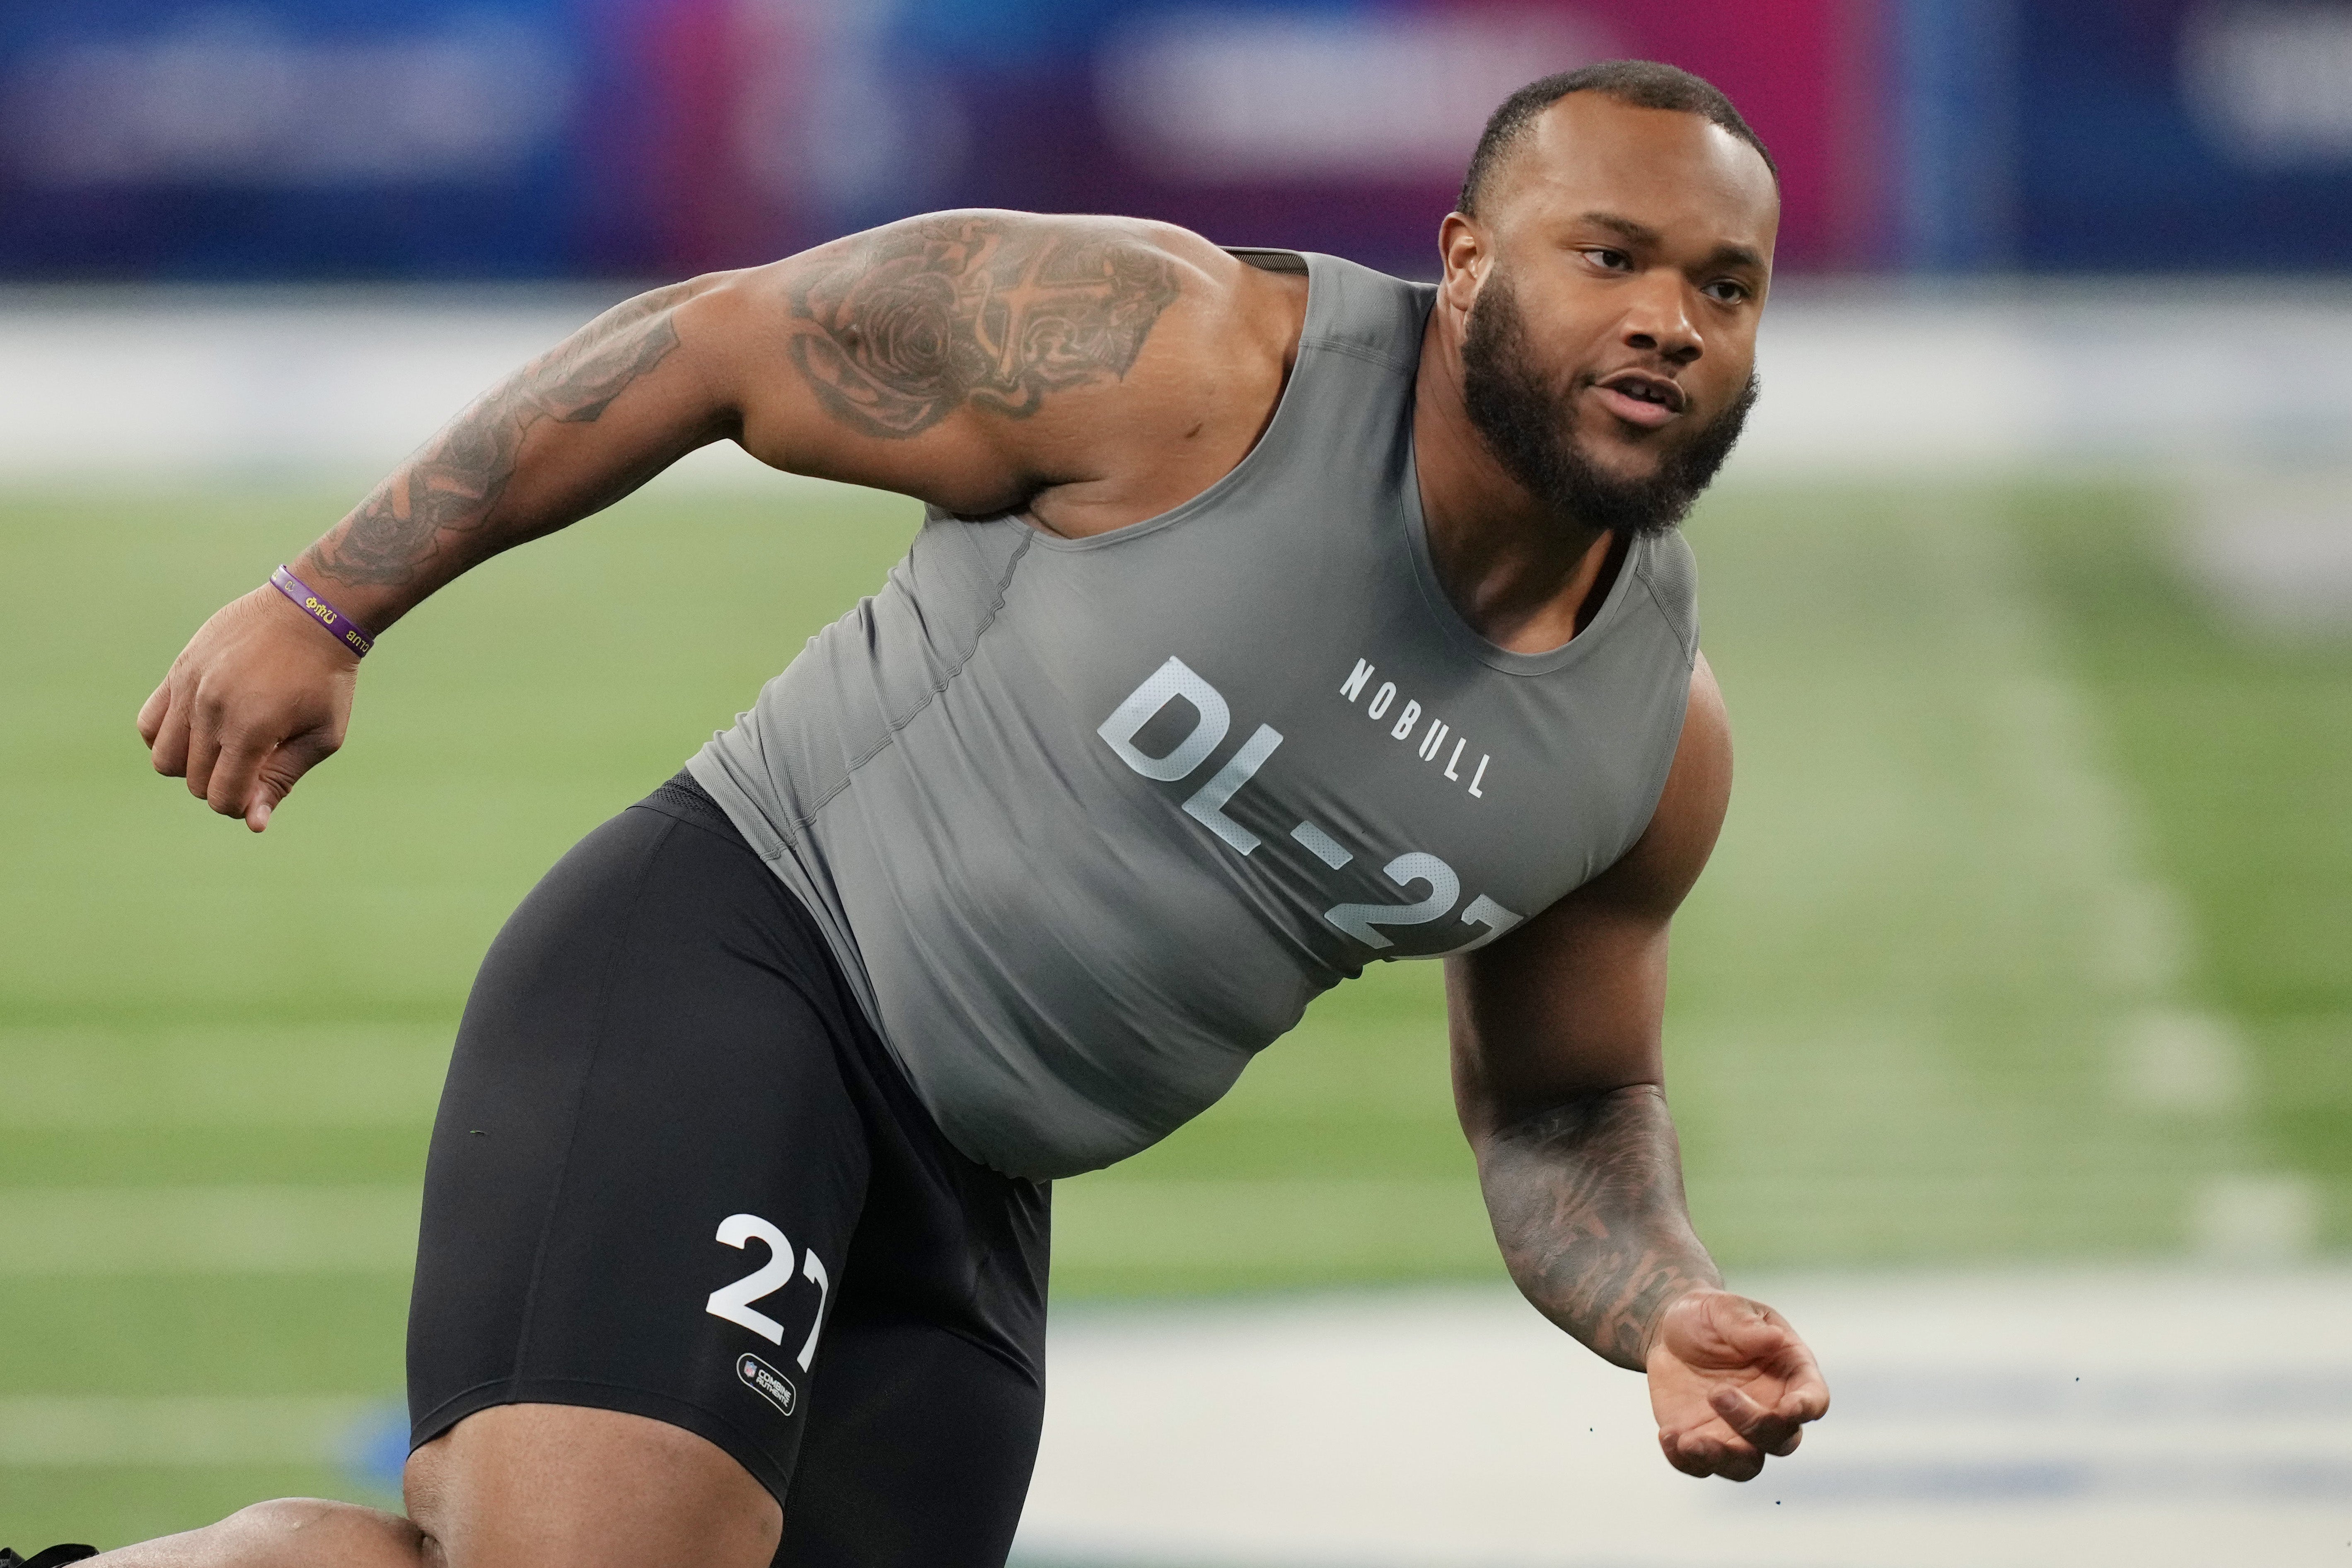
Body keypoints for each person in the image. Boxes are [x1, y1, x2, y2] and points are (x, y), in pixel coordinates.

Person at [105, 58, 1828, 1568]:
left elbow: (1561, 1106)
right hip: (741, 978)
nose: (1669, 320)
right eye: (1609, 256)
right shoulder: (1186, 356)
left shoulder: (1645, 745)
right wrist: (326, 603)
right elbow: (722, 339)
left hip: (982, 1196)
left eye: (1725, 286)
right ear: (1463, 265)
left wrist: (1663, 1299)